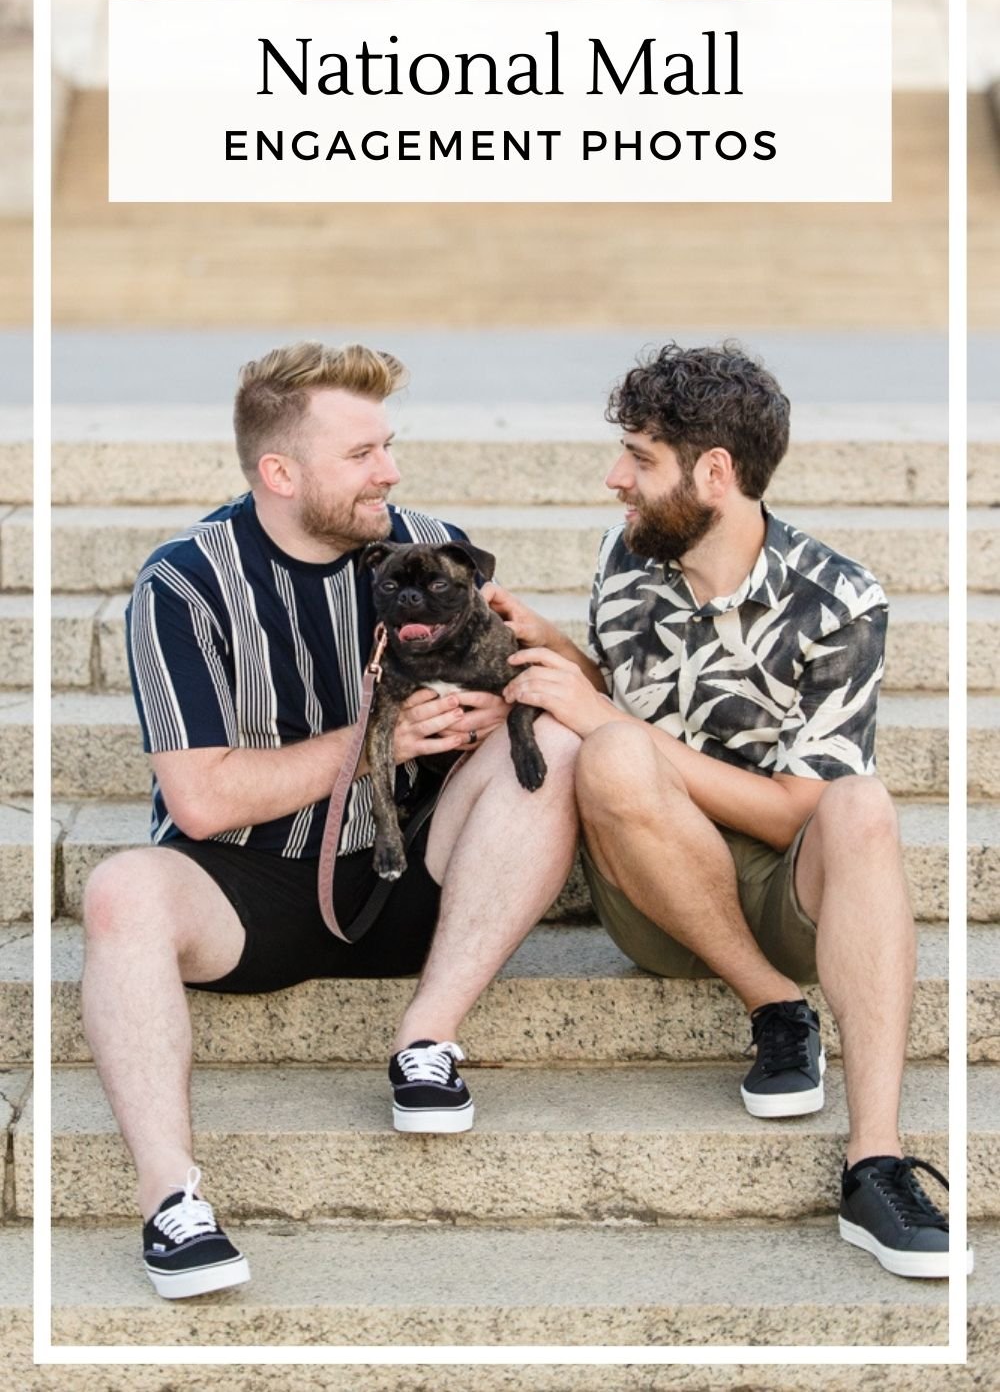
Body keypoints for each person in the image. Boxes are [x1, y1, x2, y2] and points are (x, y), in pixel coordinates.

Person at [80, 341, 580, 1300]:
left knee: (555, 743)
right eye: (362, 455)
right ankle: (172, 1200)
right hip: (247, 888)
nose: (390, 471)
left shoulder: (429, 546)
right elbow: (201, 798)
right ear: (280, 472)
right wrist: (372, 743)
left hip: (422, 876)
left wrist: (503, 705)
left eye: (388, 446)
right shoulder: (184, 583)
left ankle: (426, 1042)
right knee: (119, 889)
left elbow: (558, 679)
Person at [495, 341, 963, 1280]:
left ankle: (874, 1162)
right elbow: (614, 713)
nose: (613, 479)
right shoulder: (627, 559)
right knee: (617, 748)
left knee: (861, 802)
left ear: (714, 472)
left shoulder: (838, 600)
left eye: (639, 457)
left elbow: (798, 815)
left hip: (786, 890)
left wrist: (602, 718)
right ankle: (776, 1007)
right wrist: (560, 656)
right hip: (660, 899)